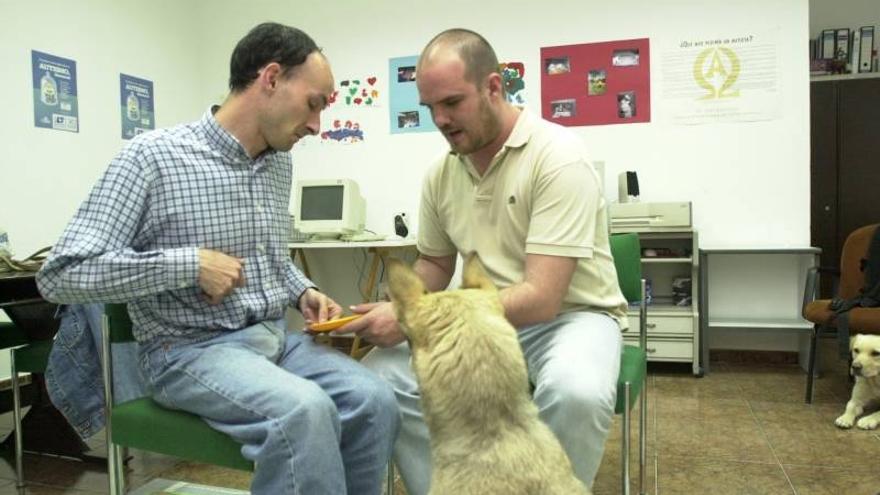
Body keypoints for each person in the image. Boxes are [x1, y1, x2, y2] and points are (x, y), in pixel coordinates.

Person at [36, 22, 399, 495]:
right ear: (270, 79)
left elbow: (270, 257)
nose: (316, 125)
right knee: (303, 412)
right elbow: (61, 275)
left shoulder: (277, 161)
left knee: (375, 399)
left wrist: (302, 290)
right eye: (314, 104)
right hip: (185, 352)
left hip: (274, 342)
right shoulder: (152, 158)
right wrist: (188, 265)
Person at [341, 28, 627, 494]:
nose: (439, 119)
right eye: (430, 106)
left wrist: (417, 318)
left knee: (575, 392)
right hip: (480, 319)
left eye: (452, 102)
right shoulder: (441, 173)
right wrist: (395, 305)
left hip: (572, 317)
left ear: (494, 87)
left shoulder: (558, 157)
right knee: (379, 383)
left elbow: (541, 298)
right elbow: (434, 263)